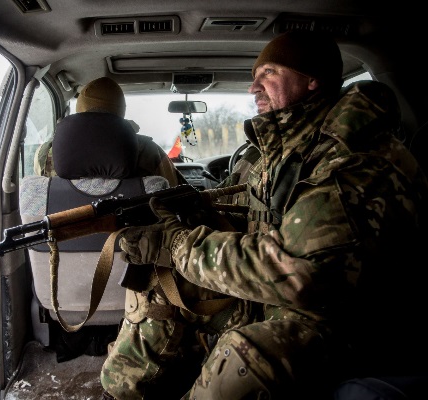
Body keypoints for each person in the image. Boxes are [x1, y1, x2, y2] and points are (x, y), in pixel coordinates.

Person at [101, 30, 428, 399]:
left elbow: (296, 271)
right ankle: (123, 390)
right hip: (274, 302)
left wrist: (176, 243)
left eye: (268, 73)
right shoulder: (279, 149)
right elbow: (255, 217)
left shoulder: (353, 159)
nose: (253, 87)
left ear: (311, 79)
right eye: (254, 76)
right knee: (163, 280)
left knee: (245, 356)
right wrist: (195, 214)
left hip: (345, 320)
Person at [34, 76, 187, 187]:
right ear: (121, 113)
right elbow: (176, 196)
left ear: (79, 111)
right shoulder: (149, 152)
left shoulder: (45, 153)